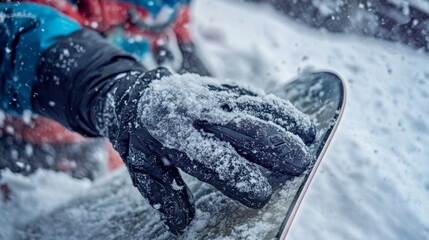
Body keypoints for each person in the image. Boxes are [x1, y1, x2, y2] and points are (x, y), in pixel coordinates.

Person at [0, 2, 316, 234]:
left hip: (110, 105)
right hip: (31, 130)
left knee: (143, 140)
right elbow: (15, 28)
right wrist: (102, 84)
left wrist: (197, 84)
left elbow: (174, 22)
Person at [0, 0, 209, 183]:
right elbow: (17, 35)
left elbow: (175, 16)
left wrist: (188, 52)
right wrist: (100, 81)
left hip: (106, 71)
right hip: (38, 117)